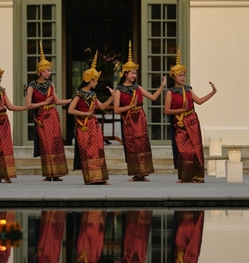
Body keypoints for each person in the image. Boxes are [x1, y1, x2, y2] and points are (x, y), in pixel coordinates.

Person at [0, 47, 49, 183]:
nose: (0, 80)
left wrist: (25, 108)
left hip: (3, 122)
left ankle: (7, 175)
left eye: (1, 77)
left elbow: (10, 106)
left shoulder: (2, 91)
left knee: (6, 148)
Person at [112, 41, 166, 182]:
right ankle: (136, 174)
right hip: (128, 120)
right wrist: (131, 106)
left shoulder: (137, 87)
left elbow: (153, 97)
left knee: (142, 144)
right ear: (125, 74)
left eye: (135, 73)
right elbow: (116, 109)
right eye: (132, 73)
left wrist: (162, 86)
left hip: (140, 118)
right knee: (131, 145)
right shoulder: (119, 90)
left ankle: (143, 173)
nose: (134, 75)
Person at [163, 47, 217, 183]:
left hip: (192, 121)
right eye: (180, 75)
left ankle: (197, 176)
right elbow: (167, 111)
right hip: (180, 124)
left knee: (195, 149)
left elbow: (199, 101)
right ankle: (184, 177)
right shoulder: (170, 92)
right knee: (183, 150)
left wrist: (213, 92)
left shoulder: (188, 89)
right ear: (174, 77)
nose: (182, 77)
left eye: (183, 75)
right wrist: (181, 110)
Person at [25, 43, 71, 181]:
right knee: (45, 145)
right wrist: (43, 103)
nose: (50, 73)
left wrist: (72, 99)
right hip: (41, 118)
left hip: (52, 116)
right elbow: (28, 105)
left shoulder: (51, 84)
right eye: (48, 70)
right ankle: (48, 174)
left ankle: (56, 174)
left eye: (50, 70)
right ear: (41, 71)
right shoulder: (32, 86)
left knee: (55, 143)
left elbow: (57, 101)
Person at [67, 52, 113, 185]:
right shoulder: (78, 94)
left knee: (98, 150)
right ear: (89, 80)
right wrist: (86, 114)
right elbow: (70, 110)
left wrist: (113, 96)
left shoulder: (92, 94)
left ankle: (101, 178)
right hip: (83, 125)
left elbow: (102, 107)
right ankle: (91, 178)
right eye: (95, 80)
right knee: (88, 152)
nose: (97, 82)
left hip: (94, 125)